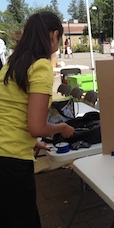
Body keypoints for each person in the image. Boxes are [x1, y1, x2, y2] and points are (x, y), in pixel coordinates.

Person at [0, 11, 75, 228]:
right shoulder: (41, 66)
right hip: (12, 163)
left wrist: (32, 143)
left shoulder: (11, 64)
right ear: (53, 35)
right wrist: (61, 127)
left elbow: (9, 112)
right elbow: (36, 126)